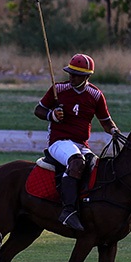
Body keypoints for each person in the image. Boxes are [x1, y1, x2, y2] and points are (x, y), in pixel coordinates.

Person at [33, 53, 119, 231]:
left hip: (81, 144)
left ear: (87, 76)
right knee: (76, 161)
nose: (71, 77)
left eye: (76, 75)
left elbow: (105, 121)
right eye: (70, 73)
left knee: (96, 166)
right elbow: (38, 110)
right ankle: (68, 211)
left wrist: (114, 131)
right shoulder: (59, 90)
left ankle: (87, 205)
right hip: (59, 142)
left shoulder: (95, 95)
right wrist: (52, 116)